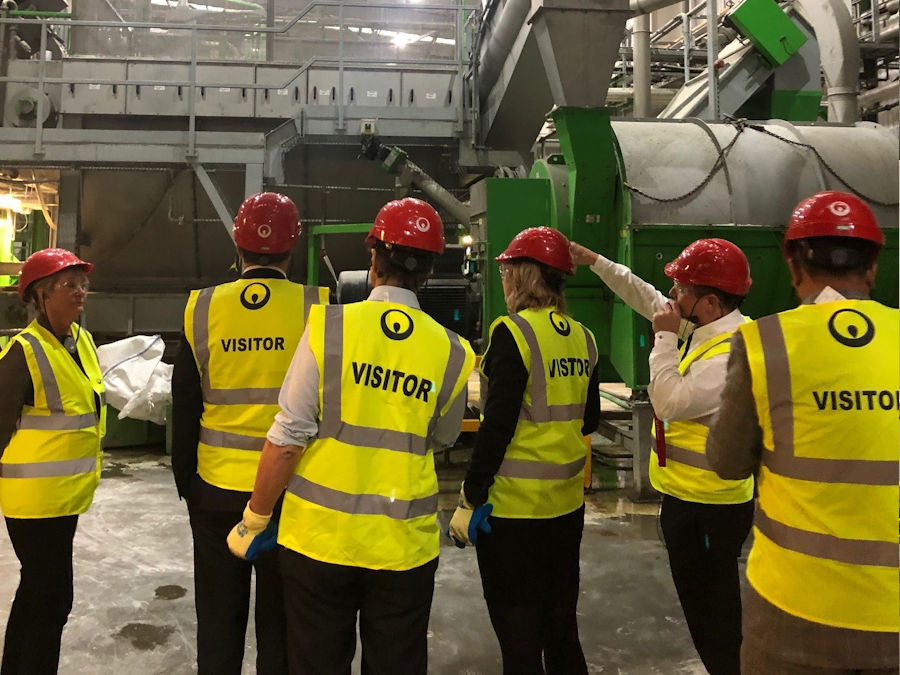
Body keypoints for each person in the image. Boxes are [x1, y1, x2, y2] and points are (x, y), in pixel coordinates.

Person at [226, 197, 476, 675]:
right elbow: (443, 437)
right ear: (427, 273)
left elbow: (287, 438)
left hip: (321, 544)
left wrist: (256, 517)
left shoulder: (329, 328)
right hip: (403, 551)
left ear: (373, 259)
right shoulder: (451, 352)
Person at [706, 190, 899, 675]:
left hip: (794, 609)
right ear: (873, 266)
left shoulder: (763, 343)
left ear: (793, 265)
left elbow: (726, 464)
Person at [570, 237, 754, 675]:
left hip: (710, 508)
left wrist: (663, 341)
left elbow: (670, 401)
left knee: (716, 617)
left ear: (708, 303)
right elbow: (647, 296)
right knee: (704, 611)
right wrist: (596, 260)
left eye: (681, 289)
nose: (672, 294)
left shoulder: (732, 352)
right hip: (688, 501)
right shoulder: (705, 329)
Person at [172, 192, 328, 675]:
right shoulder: (317, 309)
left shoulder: (202, 309)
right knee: (281, 626)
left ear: (238, 246)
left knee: (218, 622)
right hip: (288, 495)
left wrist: (189, 486)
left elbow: (184, 408)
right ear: (292, 250)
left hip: (215, 492)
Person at [449, 226, 601, 675]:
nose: (504, 279)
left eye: (508, 270)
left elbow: (497, 427)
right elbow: (588, 420)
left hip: (513, 514)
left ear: (523, 275)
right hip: (566, 509)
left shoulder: (512, 333)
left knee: (519, 639)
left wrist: (470, 496)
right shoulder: (583, 337)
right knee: (561, 629)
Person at [0, 248, 105, 675]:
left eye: (83, 284)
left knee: (39, 595)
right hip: (33, 502)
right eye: (70, 285)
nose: (81, 293)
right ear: (40, 295)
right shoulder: (21, 354)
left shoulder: (81, 340)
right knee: (52, 599)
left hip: (65, 498)